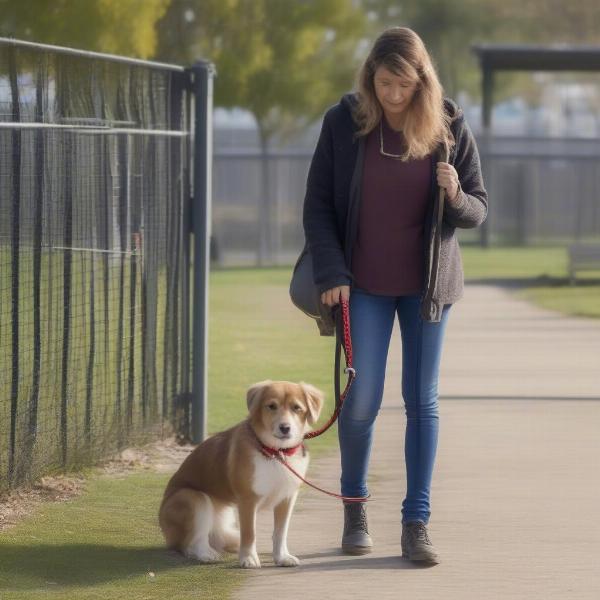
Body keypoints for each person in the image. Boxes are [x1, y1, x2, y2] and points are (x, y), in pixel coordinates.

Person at [302, 26, 488, 564]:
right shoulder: (343, 123)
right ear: (371, 79)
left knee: (421, 402)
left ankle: (416, 522)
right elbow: (317, 206)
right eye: (384, 84)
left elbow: (477, 209)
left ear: (421, 80)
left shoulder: (449, 125)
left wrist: (454, 193)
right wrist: (331, 271)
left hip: (428, 291)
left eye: (403, 85)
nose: (393, 95)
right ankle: (355, 505)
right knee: (360, 402)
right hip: (361, 285)